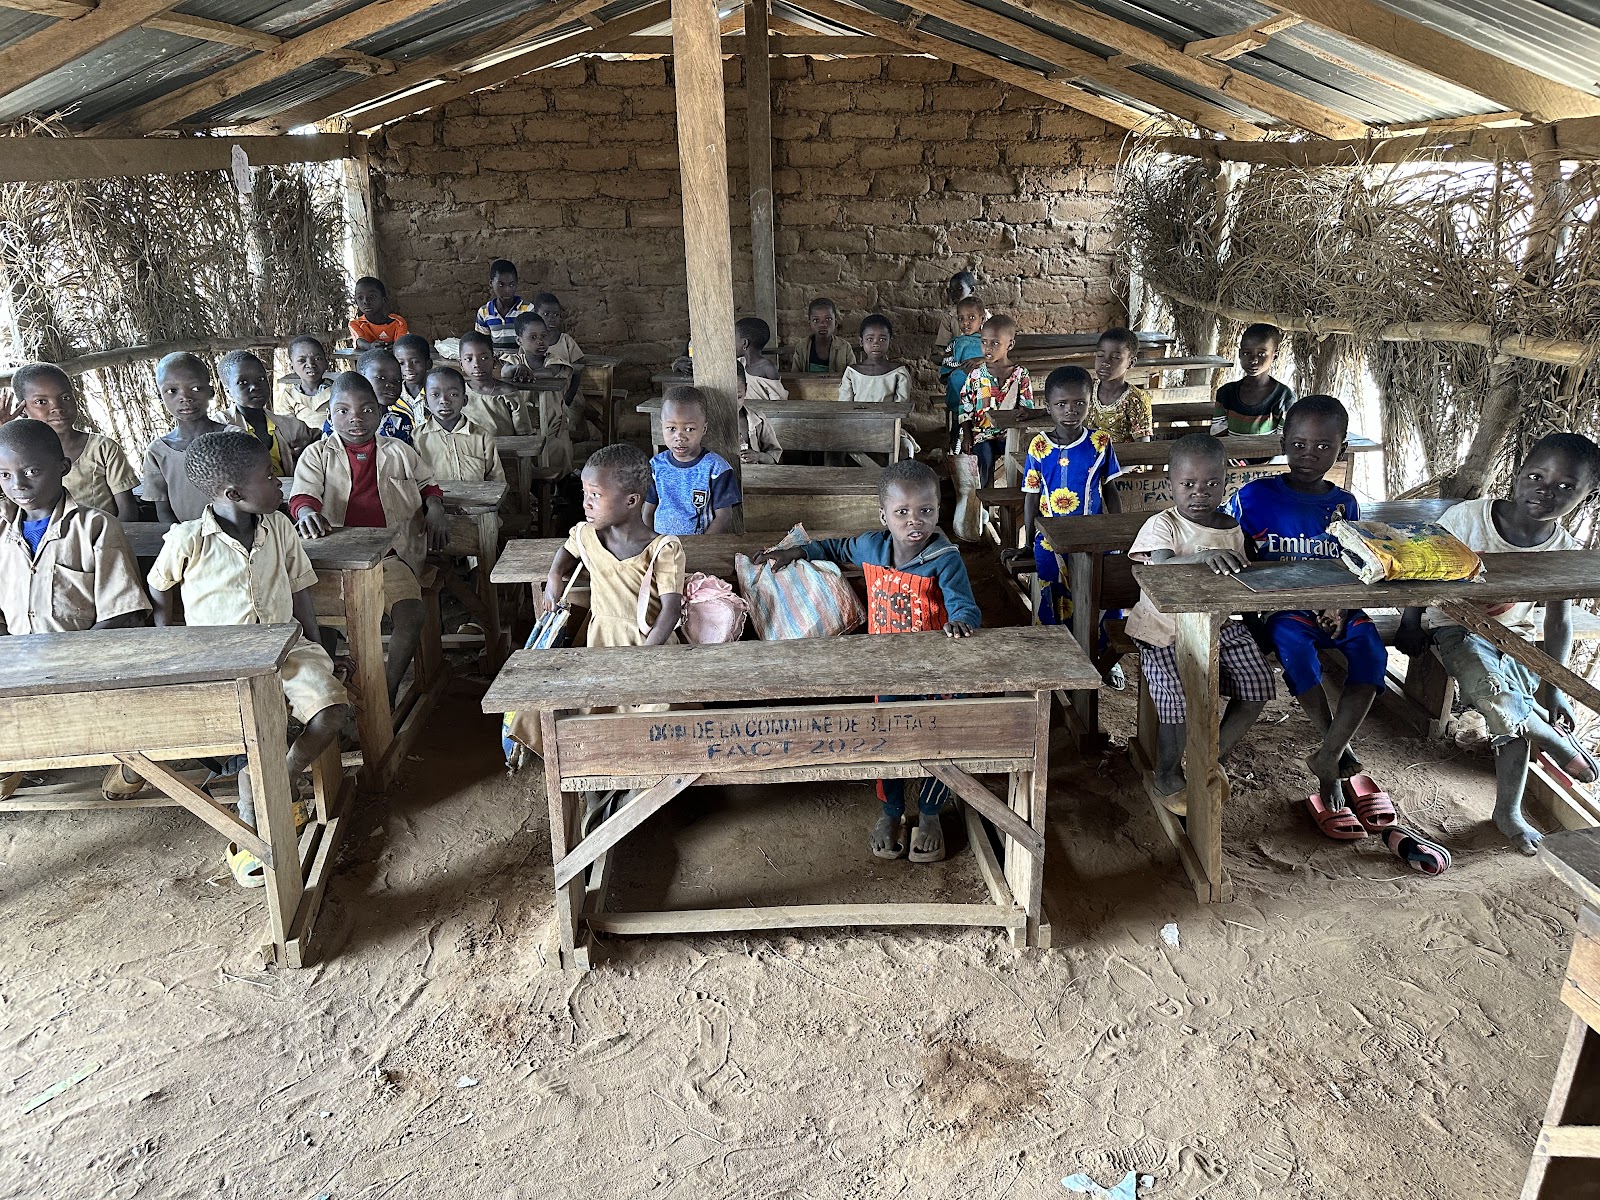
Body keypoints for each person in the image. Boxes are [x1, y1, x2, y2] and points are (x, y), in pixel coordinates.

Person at [147, 431, 351, 888]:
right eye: (268, 477)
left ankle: (278, 780)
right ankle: (251, 834)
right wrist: (171, 642)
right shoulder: (189, 538)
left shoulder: (279, 526)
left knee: (333, 710)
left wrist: (319, 649)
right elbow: (160, 587)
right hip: (224, 659)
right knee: (254, 733)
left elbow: (300, 589)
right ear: (234, 493)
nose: (280, 482)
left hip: (286, 648)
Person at [757, 459, 979, 863]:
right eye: (902, 513)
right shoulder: (872, 547)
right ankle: (892, 811)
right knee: (884, 739)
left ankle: (930, 813)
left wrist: (962, 620)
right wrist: (797, 551)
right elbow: (834, 547)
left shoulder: (945, 558)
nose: (915, 522)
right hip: (885, 671)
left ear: (938, 511)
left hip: (936, 674)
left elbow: (964, 603)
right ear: (884, 516)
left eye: (926, 511)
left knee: (940, 739)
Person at [1397, 432, 1600, 859]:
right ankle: (1558, 743)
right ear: (1517, 472)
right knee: (1499, 697)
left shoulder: (1562, 549)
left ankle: (1507, 813)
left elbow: (1559, 620)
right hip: (1455, 628)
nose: (1545, 492)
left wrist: (1555, 685)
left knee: (1508, 709)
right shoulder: (1467, 520)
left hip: (1516, 640)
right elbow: (1420, 568)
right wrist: (1410, 621)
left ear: (1588, 494)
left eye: (1566, 487)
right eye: (1537, 477)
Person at [1227, 395, 1389, 837]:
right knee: (1296, 649)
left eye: (1323, 447)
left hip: (1336, 604)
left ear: (1342, 449)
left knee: (1373, 654)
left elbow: (1352, 560)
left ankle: (1329, 753)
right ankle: (1336, 752)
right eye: (1298, 444)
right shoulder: (1253, 496)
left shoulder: (1345, 505)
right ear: (1282, 440)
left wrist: (1338, 601)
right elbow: (1220, 541)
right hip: (1280, 610)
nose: (1309, 455)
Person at [0, 418, 150, 800]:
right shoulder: (2, 535)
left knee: (120, 712)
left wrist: (69, 660)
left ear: (63, 468)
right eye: (4, 474)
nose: (18, 484)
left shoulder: (96, 527)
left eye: (32, 471)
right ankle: (13, 761)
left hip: (88, 660)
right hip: (19, 663)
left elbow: (123, 613)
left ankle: (134, 760)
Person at [1125, 433, 1274, 806]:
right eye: (1188, 484)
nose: (1199, 492)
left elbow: (1240, 580)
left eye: (1211, 483)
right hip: (1163, 631)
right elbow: (1160, 567)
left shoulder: (1232, 530)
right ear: (1170, 485)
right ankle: (1167, 771)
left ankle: (1208, 758)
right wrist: (1203, 557)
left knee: (1257, 685)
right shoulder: (1164, 525)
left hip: (1217, 627)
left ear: (1226, 482)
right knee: (1176, 699)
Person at [289, 372, 448, 706]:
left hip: (392, 556)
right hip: (334, 563)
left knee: (411, 615)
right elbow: (303, 496)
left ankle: (386, 692)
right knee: (322, 623)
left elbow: (427, 484)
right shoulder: (316, 455)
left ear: (379, 412)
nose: (355, 419)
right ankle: (326, 692)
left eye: (365, 409)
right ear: (329, 414)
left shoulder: (399, 451)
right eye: (343, 411)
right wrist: (307, 514)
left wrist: (435, 506)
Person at [1002, 366, 1121, 629]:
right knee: (1050, 583)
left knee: (1104, 587)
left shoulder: (1100, 442)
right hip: (1051, 535)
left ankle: (1101, 648)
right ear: (1048, 406)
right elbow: (1032, 497)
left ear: (1090, 402)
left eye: (1080, 402)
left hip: (1094, 532)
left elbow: (1111, 490)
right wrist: (1029, 540)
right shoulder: (1039, 446)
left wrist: (1118, 532)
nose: (1071, 410)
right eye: (1061, 404)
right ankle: (1055, 645)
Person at [543, 442, 684, 649]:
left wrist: (644, 656)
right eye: (585, 493)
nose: (586, 503)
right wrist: (554, 575)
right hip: (601, 643)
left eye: (596, 495)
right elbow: (567, 550)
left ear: (631, 501)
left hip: (648, 646)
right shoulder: (587, 535)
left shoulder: (662, 550)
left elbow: (671, 611)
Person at [10, 363, 139, 520]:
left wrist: (113, 540)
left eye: (65, 398)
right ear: (22, 408)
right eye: (42, 402)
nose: (57, 407)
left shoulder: (102, 449)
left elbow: (127, 508)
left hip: (103, 537)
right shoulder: (15, 458)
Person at [143, 352, 226, 526]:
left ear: (211, 391)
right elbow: (164, 511)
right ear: (161, 396)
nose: (185, 398)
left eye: (195, 388)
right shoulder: (158, 452)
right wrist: (182, 539)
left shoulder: (232, 439)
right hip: (187, 542)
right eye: (172, 391)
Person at [645, 386, 740, 536]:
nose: (680, 437)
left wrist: (701, 547)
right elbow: (648, 511)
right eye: (671, 428)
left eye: (689, 429)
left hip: (700, 547)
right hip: (661, 548)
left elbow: (724, 517)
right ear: (661, 426)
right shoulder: (656, 465)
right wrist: (650, 544)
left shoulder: (716, 469)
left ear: (704, 429)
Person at [956, 313, 1032, 487]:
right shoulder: (976, 374)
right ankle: (987, 505)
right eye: (984, 342)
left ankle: (1013, 502)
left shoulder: (1020, 374)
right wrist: (967, 435)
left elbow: (1026, 406)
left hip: (1010, 435)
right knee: (985, 459)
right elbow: (965, 407)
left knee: (1019, 462)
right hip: (980, 434)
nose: (987, 348)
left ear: (1010, 344)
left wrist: (1022, 414)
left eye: (995, 343)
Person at [218, 349, 314, 477]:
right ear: (228, 392)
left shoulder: (291, 427)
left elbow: (320, 440)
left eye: (261, 378)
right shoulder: (221, 427)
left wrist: (307, 450)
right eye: (242, 382)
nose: (254, 386)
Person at [412, 366, 505, 484]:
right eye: (435, 394)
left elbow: (496, 480)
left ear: (464, 400)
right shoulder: (417, 438)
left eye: (453, 394)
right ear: (425, 402)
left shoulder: (481, 436)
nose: (444, 400)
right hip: (432, 502)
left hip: (477, 501)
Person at [1212, 323, 1295, 438]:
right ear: (1240, 354)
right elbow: (1218, 435)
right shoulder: (1226, 393)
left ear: (1275, 356)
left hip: (1268, 455)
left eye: (1261, 354)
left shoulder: (1283, 397)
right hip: (1230, 454)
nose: (1253, 360)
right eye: (1247, 353)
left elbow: (1282, 441)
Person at [459, 330, 533, 438]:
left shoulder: (508, 394)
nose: (476, 364)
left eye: (484, 358)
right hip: (469, 453)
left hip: (505, 453)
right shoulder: (459, 394)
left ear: (494, 361)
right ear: (461, 364)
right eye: (469, 359)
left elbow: (524, 435)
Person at [1090, 326, 1152, 443]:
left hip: (1122, 460)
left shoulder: (1136, 400)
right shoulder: (1088, 390)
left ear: (1131, 362)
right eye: (1100, 355)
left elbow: (1143, 448)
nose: (1105, 363)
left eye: (1115, 357)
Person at [839, 314, 912, 404]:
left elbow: (901, 409)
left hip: (889, 418)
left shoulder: (899, 373)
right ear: (861, 342)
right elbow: (844, 406)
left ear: (890, 341)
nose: (876, 344)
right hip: (857, 418)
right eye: (870, 339)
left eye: (882, 339)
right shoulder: (852, 373)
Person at [940, 296, 985, 440]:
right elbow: (948, 361)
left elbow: (996, 357)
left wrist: (982, 360)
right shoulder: (955, 342)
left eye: (971, 317)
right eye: (961, 318)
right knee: (956, 379)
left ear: (982, 319)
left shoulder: (987, 341)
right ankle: (957, 422)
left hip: (984, 378)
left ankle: (979, 425)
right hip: (962, 376)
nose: (966, 322)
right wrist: (954, 367)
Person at [474, 258, 536, 354]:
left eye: (511, 285)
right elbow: (482, 345)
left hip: (521, 363)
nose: (507, 290)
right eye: (501, 285)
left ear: (516, 283)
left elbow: (532, 342)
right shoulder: (484, 312)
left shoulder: (527, 309)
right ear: (491, 283)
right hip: (495, 363)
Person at [358, 347, 416, 445]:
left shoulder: (401, 421)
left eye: (397, 380)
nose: (391, 384)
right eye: (381, 377)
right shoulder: (346, 419)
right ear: (361, 376)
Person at [278, 335, 333, 426]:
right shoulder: (289, 396)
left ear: (326, 363)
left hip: (333, 439)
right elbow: (288, 428)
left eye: (317, 359)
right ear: (292, 367)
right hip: (302, 439)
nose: (310, 364)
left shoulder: (337, 390)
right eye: (302, 360)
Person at [791, 297, 856, 374]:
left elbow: (853, 376)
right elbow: (795, 376)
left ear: (836, 322)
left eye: (828, 319)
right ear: (810, 324)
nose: (823, 324)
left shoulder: (844, 347)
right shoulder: (801, 347)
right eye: (816, 320)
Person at [736, 364, 782, 465]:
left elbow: (774, 457)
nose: (733, 403)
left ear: (746, 389)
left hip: (755, 477)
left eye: (738, 397)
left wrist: (758, 456)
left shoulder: (758, 420)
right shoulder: (710, 424)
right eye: (727, 397)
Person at [933, 270, 987, 354]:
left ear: (971, 290)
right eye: (951, 290)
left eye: (959, 289)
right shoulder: (949, 316)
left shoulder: (983, 314)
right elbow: (944, 344)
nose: (955, 293)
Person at [736, 317, 788, 402]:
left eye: (734, 339)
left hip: (765, 414)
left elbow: (779, 402)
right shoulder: (740, 363)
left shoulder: (768, 368)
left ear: (745, 343)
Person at [349, 276, 409, 350]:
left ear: (384, 300)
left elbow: (402, 344)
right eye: (360, 298)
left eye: (372, 296)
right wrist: (370, 346)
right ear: (356, 301)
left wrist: (394, 346)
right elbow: (360, 341)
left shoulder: (398, 322)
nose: (365, 301)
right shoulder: (356, 324)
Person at [533, 292, 585, 366]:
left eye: (556, 314)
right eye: (546, 314)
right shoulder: (529, 342)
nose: (552, 319)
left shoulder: (566, 341)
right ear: (535, 314)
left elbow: (577, 368)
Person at [394, 333, 433, 405]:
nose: (408, 368)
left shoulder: (436, 392)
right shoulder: (393, 393)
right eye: (401, 363)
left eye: (415, 362)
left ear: (428, 364)